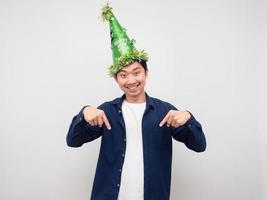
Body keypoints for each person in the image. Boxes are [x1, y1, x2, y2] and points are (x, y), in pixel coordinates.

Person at [66, 4, 206, 200]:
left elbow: (199, 145)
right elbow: (73, 141)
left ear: (146, 73)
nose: (131, 80)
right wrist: (83, 113)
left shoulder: (165, 111)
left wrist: (189, 118)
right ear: (116, 80)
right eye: (123, 75)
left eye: (136, 72)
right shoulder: (106, 112)